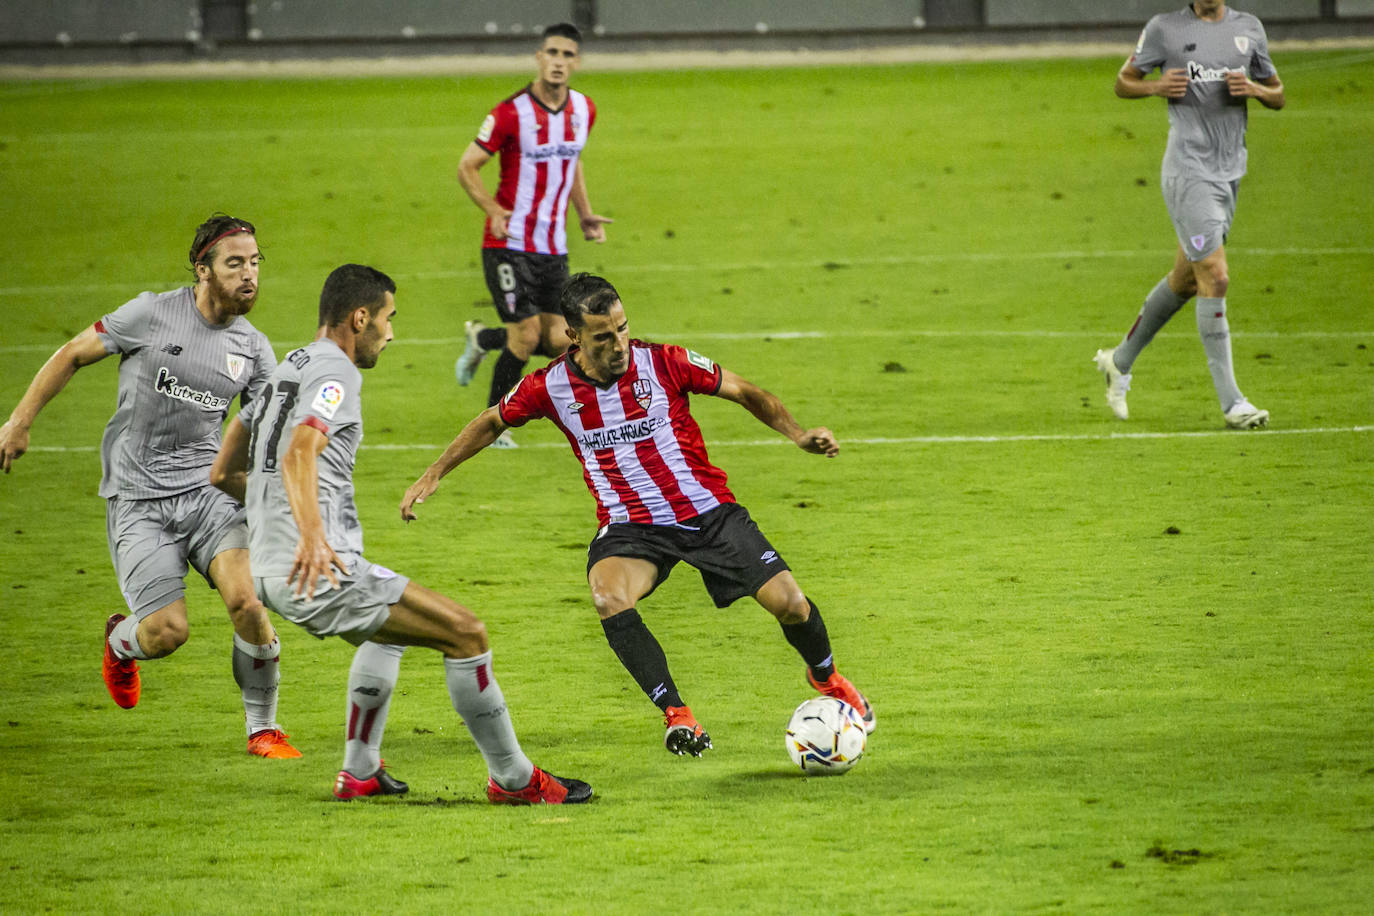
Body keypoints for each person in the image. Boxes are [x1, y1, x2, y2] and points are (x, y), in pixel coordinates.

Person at [402, 273, 874, 758]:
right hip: (632, 527)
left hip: (709, 513)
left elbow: (745, 391)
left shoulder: (665, 362)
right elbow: (492, 420)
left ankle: (827, 676)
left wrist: (796, 434)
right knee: (608, 595)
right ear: (573, 336)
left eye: (623, 328)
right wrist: (435, 472)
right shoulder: (550, 387)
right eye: (603, 336)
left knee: (793, 606)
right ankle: (677, 715)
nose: (619, 343)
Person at [212, 264, 592, 804]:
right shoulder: (336, 374)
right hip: (316, 563)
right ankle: (514, 779)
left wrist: (274, 519)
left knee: (386, 637)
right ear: (359, 317)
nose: (391, 334)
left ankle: (361, 770)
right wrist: (312, 535)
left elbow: (224, 473)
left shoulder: (284, 369)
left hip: (271, 569)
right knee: (467, 634)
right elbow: (300, 451)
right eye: (388, 319)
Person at [0, 214, 300, 759]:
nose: (250, 275)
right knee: (166, 633)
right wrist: (19, 422)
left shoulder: (254, 348)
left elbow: (268, 434)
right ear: (202, 269)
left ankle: (263, 730)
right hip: (139, 502)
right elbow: (72, 353)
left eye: (255, 263)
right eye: (235, 264)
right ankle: (121, 643)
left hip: (209, 496)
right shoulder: (150, 315)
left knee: (248, 602)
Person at [1094, 0, 1284, 428]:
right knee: (1215, 276)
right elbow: (1124, 82)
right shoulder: (1165, 29)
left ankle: (1118, 361)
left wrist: (1255, 90)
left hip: (1230, 172)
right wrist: (1156, 87)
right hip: (1188, 173)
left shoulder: (1249, 28)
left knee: (1185, 279)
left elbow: (1278, 94)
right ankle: (1233, 403)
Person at [451, 21, 613, 449]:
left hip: (553, 248)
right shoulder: (509, 113)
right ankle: (494, 424)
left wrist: (584, 216)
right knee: (524, 336)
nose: (559, 62)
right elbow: (467, 165)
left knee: (558, 340)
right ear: (539, 58)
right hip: (507, 245)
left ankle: (482, 339)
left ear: (577, 62)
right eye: (552, 53)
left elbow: (572, 162)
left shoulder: (584, 109)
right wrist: (492, 208)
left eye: (567, 55)